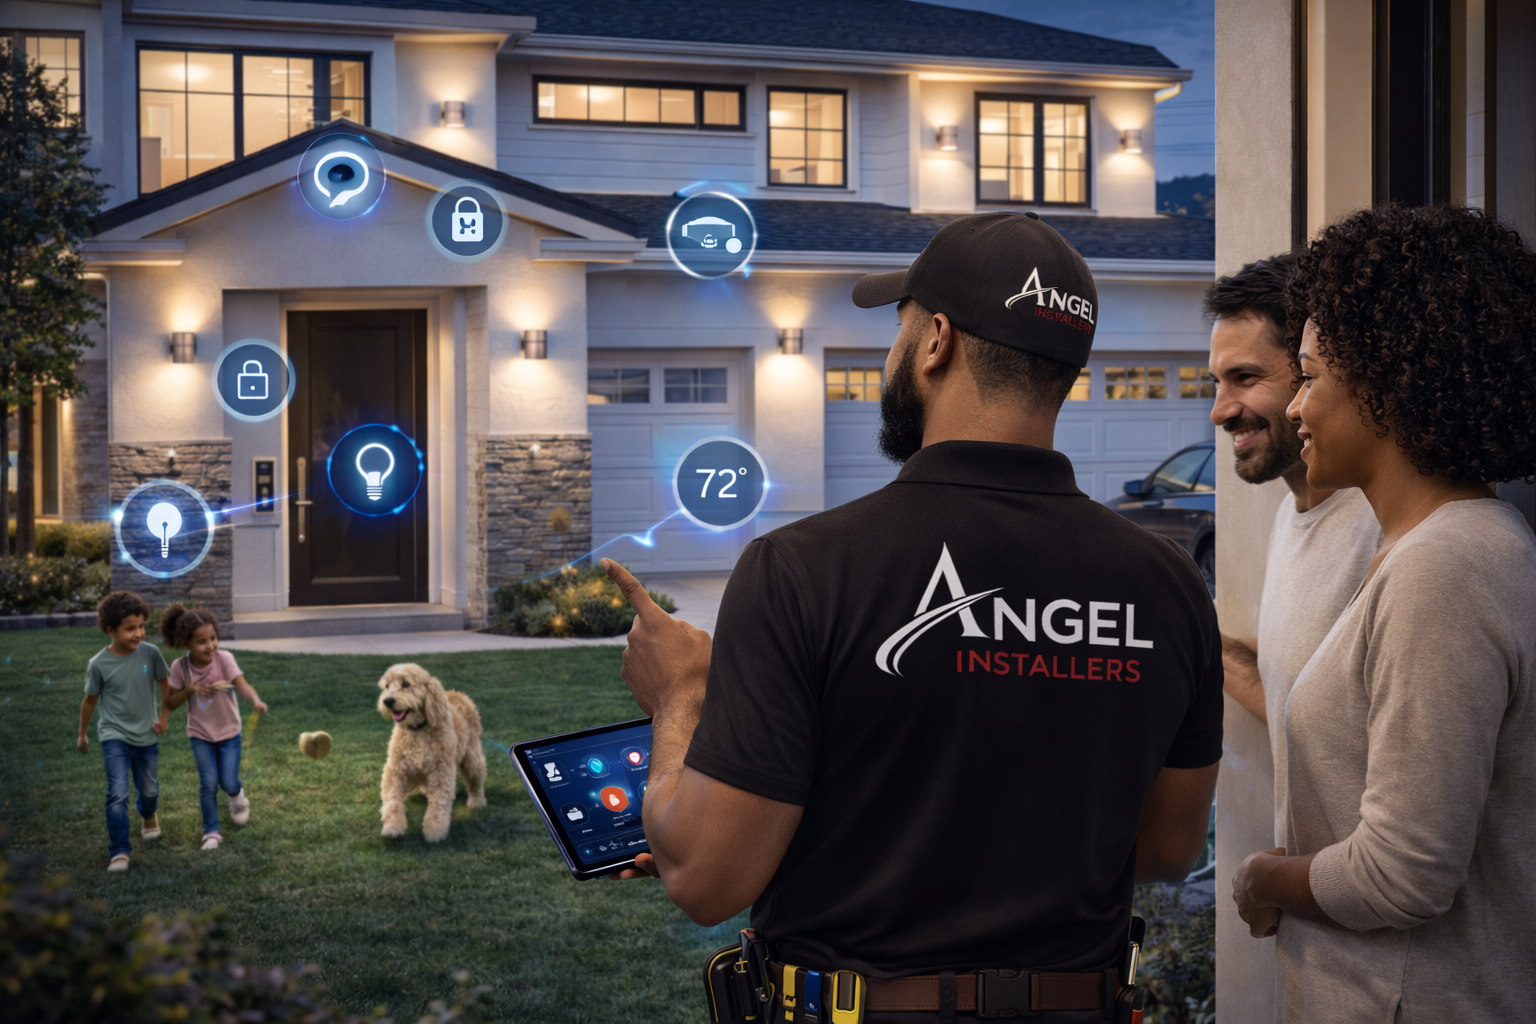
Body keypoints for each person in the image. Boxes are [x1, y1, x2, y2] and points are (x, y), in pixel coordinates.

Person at [605, 211, 1222, 1021]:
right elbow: (1168, 847)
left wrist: (682, 694)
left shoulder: (803, 570)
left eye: (897, 329)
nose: (890, 353)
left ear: (936, 341)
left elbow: (706, 878)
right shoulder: (1168, 585)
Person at [1231, 203, 1536, 1023]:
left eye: (1312, 377)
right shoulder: (1439, 549)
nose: (1296, 408)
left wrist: (1265, 876)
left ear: (1387, 382)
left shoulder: (1448, 566)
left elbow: (1403, 874)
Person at [1204, 254, 1379, 846]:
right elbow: (1300, 706)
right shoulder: (1291, 515)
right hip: (1327, 920)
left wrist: (1276, 883)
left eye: (1245, 378)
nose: (1221, 409)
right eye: (1217, 383)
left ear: (1311, 374)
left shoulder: (1389, 528)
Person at [77, 590, 171, 872]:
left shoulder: (151, 653)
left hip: (146, 734)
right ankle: (119, 851)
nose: (138, 633)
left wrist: (164, 717)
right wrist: (82, 734)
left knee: (149, 790)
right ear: (110, 630)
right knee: (117, 792)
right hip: (113, 734)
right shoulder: (98, 664)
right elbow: (89, 700)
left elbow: (166, 686)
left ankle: (148, 815)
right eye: (130, 628)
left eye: (141, 626)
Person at [160, 604, 267, 851]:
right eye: (201, 642)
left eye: (213, 638)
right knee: (208, 782)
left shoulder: (224, 659)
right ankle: (211, 832)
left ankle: (237, 798)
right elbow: (170, 702)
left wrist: (256, 700)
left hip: (229, 732)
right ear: (186, 644)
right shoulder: (180, 667)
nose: (210, 646)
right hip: (200, 734)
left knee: (227, 781)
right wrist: (189, 691)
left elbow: (242, 686)